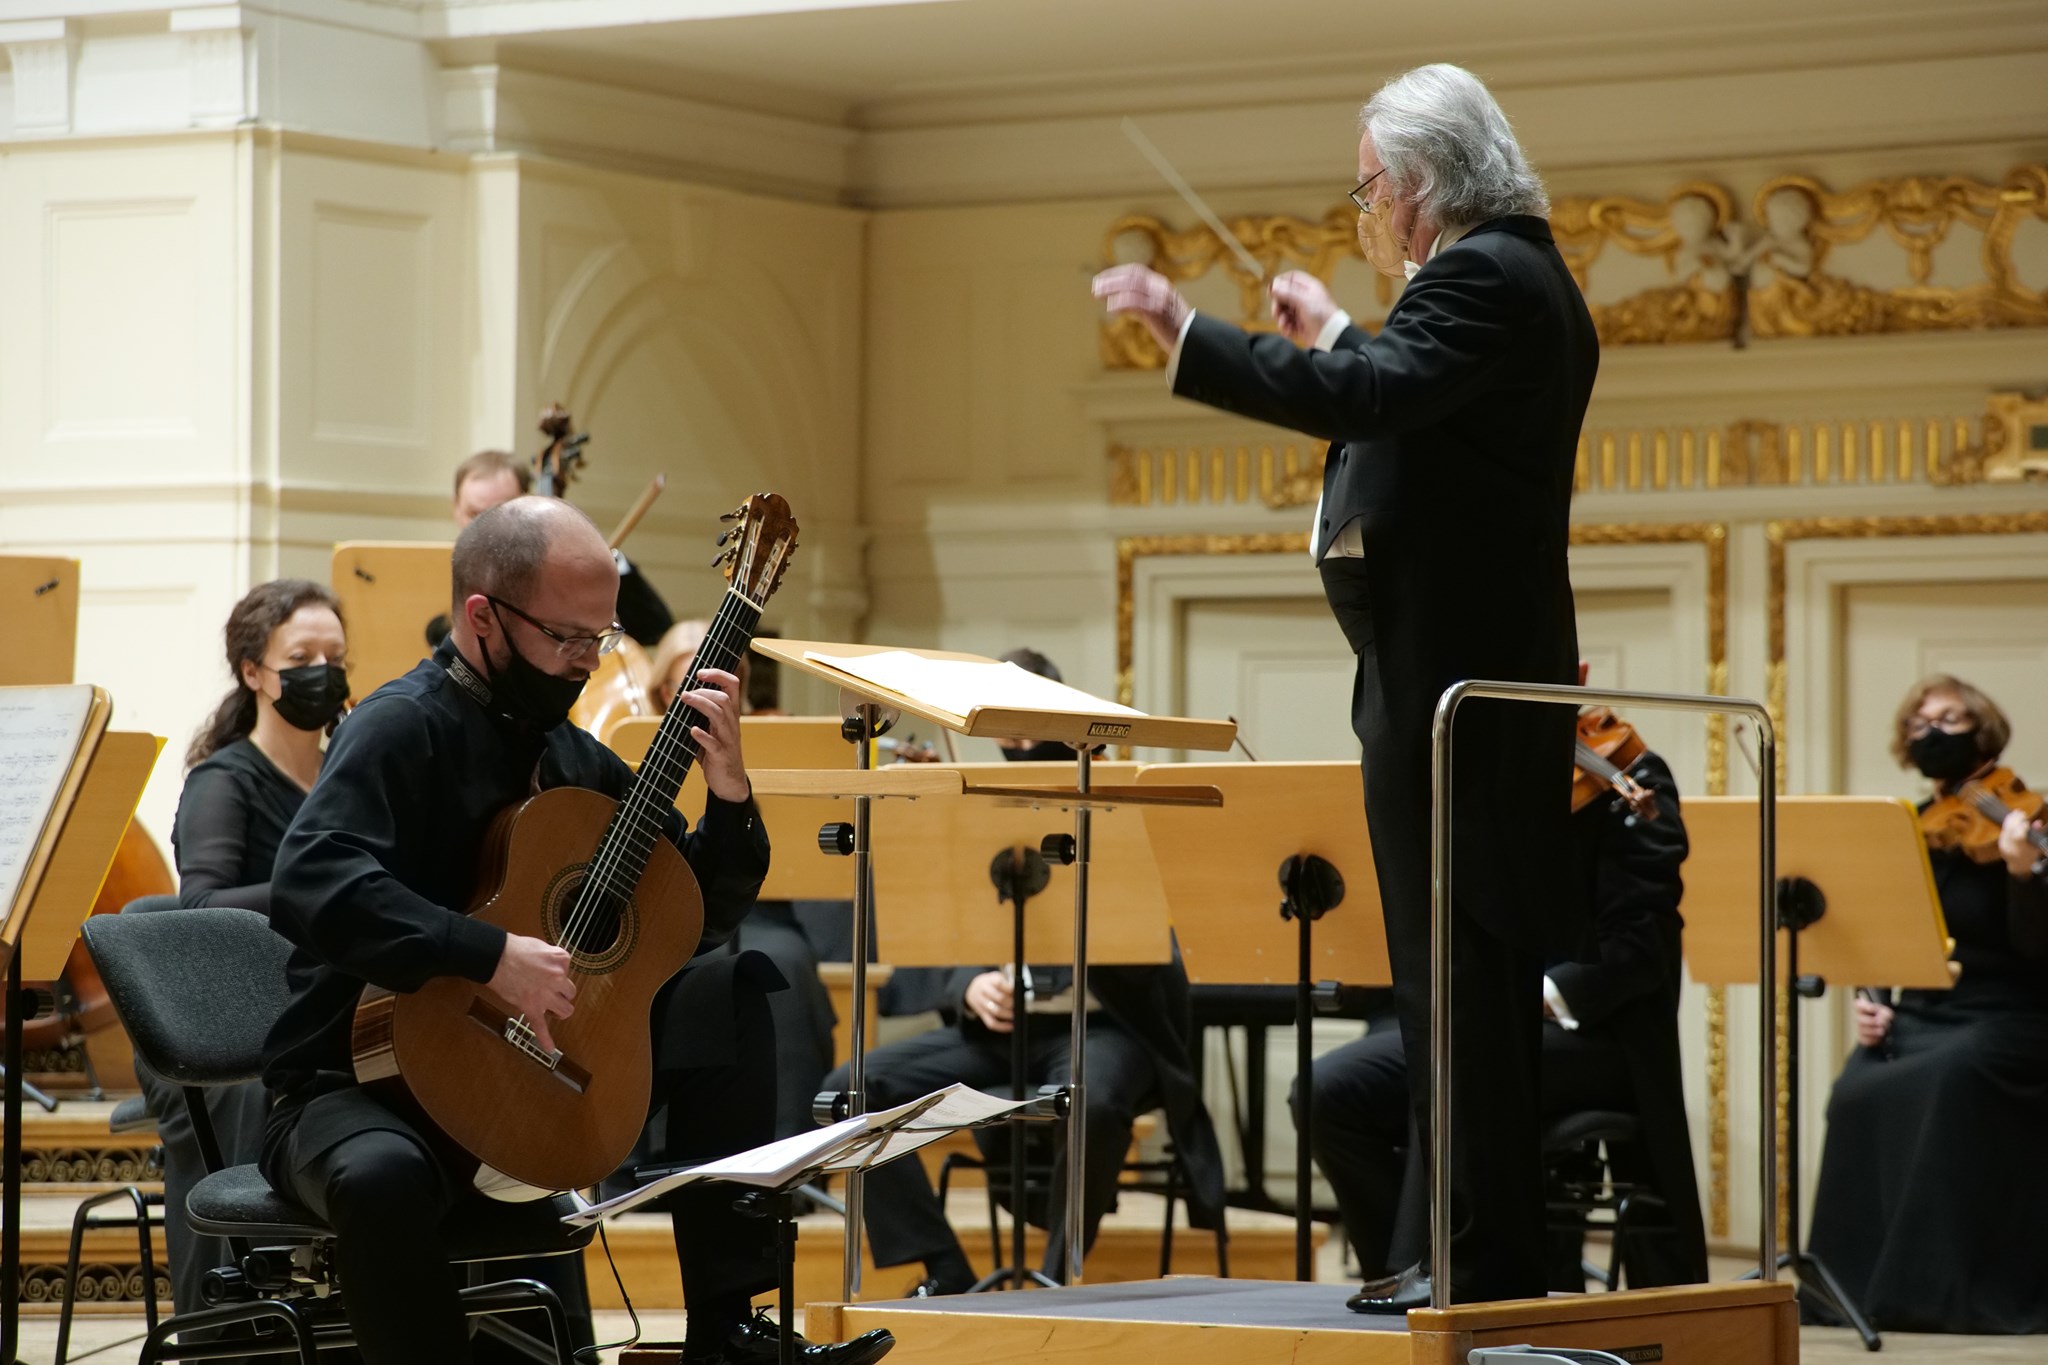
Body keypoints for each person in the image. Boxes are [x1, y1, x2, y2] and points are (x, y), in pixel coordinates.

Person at [1094, 63, 1591, 1308]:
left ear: (1420, 183)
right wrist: (1328, 329)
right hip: (1451, 681)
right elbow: (1412, 397)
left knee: (1461, 985)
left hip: (1460, 691)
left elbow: (1378, 397)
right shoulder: (1509, 275)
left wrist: (1189, 332)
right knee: (1444, 986)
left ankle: (1479, 1267)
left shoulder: (1484, 275)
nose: (1364, 209)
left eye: (1368, 187)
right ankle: (1455, 1254)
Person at [260, 496, 891, 1365]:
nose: (589, 662)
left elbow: (692, 915)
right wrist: (488, 953)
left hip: (533, 1071)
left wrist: (730, 794)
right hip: (359, 1083)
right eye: (567, 637)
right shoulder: (401, 727)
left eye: (602, 637)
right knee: (380, 1175)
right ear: (483, 616)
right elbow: (310, 879)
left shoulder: (570, 754)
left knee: (733, 992)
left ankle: (725, 1330)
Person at [820, 649, 1223, 1295]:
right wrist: (968, 986)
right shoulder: (970, 794)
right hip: (999, 1030)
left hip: (1103, 1025)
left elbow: (1160, 941)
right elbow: (940, 924)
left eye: (1026, 721)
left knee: (1092, 1098)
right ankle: (944, 1268)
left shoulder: (1116, 793)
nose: (1014, 740)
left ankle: (1059, 1281)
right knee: (852, 1089)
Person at [1294, 669, 1706, 1293]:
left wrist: (1536, 996)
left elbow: (1639, 944)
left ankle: (1452, 1283)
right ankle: (1399, 1270)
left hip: (1593, 1037)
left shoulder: (1633, 777)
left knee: (1457, 1070)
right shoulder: (1477, 782)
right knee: (1327, 1091)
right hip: (1478, 1019)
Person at [1806, 676, 2048, 1334]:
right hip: (1923, 1012)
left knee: (1948, 1079)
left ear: (1982, 728)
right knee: (1856, 1087)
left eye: (1948, 718)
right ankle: (1851, 1288)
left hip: (2008, 1014)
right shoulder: (1909, 827)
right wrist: (1874, 1002)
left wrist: (2023, 874)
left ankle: (1936, 1292)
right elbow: (1885, 933)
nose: (1931, 731)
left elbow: (2038, 949)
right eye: (1918, 724)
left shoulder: (2026, 818)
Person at [144, 580, 351, 1328]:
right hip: (216, 1018)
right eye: (301, 658)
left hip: (318, 1005)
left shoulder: (349, 770)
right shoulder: (222, 782)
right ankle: (233, 1326)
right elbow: (200, 909)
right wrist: (327, 887)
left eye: (334, 656)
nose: (322, 672)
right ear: (253, 671)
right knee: (256, 1089)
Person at [648, 618, 835, 1137]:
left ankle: (789, 1140)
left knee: (784, 964)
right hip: (664, 909)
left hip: (761, 906)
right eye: (690, 684)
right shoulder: (630, 740)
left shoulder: (776, 734)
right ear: (664, 690)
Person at [434, 448, 674, 647]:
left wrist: (609, 564)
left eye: (499, 512)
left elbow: (656, 628)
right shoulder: (428, 574)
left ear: (526, 502)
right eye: (474, 514)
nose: (485, 529)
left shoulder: (562, 570)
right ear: (455, 506)